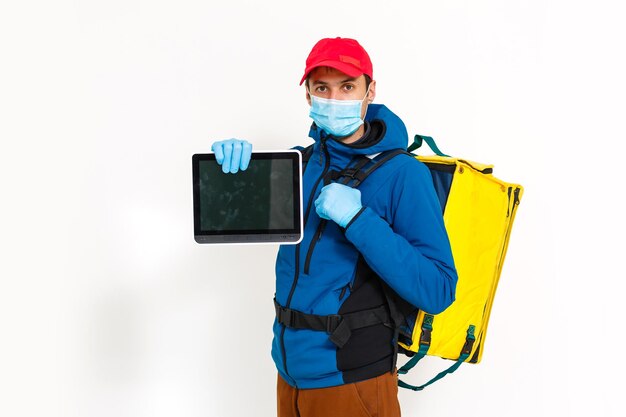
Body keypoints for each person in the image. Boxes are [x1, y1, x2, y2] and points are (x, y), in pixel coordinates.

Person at [211, 37, 457, 417]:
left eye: (347, 87)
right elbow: (228, 219)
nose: (334, 98)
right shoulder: (299, 164)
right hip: (289, 371)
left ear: (369, 91)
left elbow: (439, 289)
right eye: (322, 87)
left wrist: (359, 220)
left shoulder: (403, 173)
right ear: (308, 95)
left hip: (353, 379)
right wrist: (234, 171)